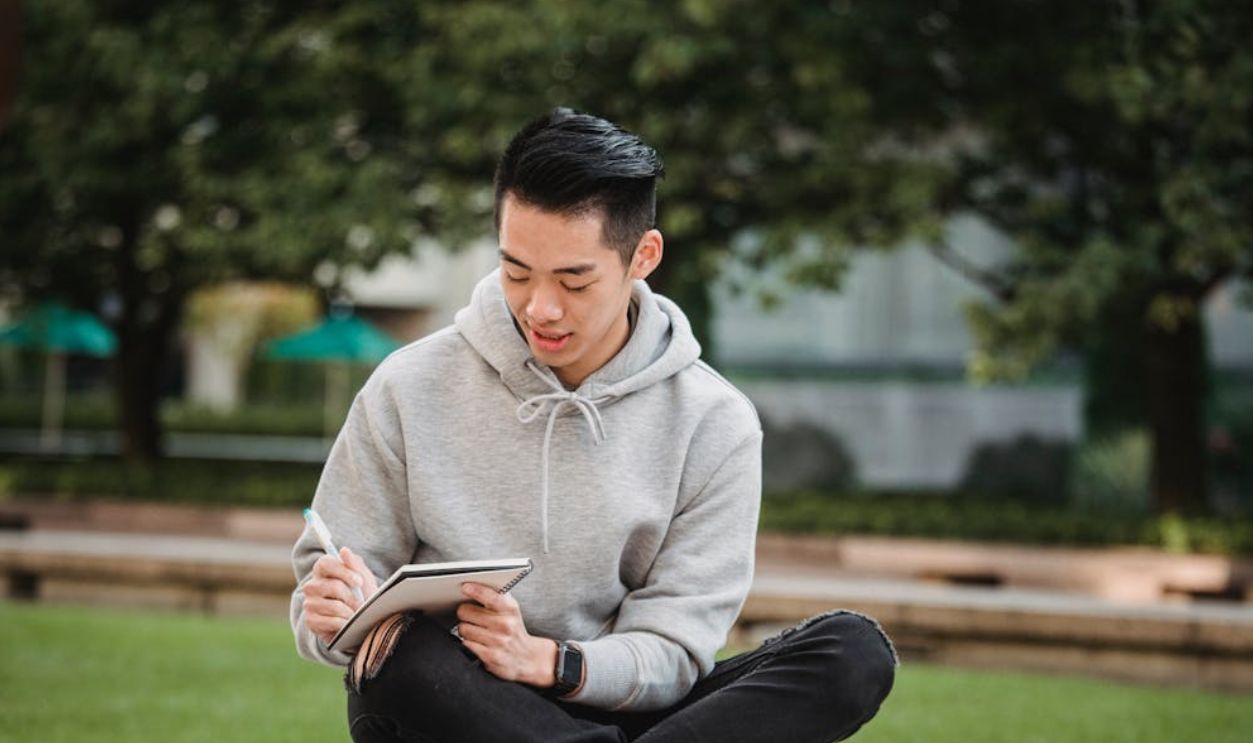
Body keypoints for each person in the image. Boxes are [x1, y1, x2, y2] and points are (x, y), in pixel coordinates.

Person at [291, 107, 896, 742]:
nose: (540, 307)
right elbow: (329, 600)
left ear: (644, 257)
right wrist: (330, 615)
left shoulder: (714, 422)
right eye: (516, 272)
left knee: (851, 652)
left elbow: (674, 651)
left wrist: (551, 662)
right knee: (398, 652)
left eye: (574, 281)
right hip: (460, 711)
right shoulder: (407, 386)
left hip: (617, 705)